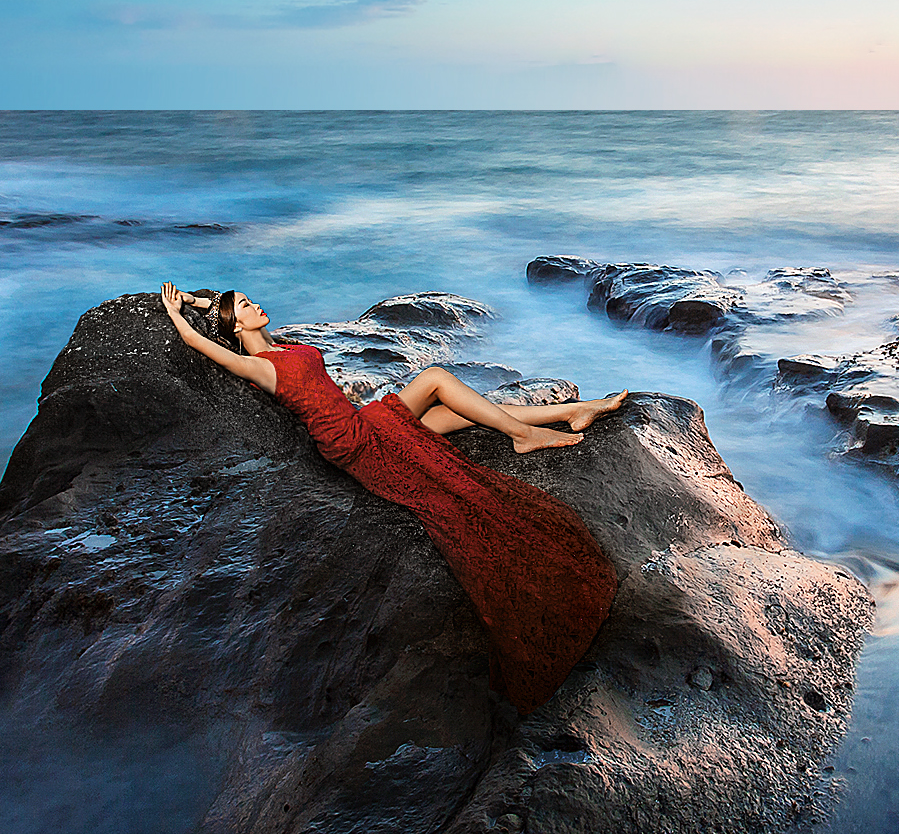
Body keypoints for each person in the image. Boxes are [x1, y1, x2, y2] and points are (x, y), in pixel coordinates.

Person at [158, 281, 621, 713]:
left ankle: (574, 411)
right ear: (237, 327)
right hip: (354, 440)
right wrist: (176, 315)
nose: (255, 304)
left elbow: (222, 314)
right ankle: (522, 433)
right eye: (244, 306)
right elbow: (205, 344)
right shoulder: (259, 365)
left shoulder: (278, 346)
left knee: (450, 413)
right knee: (437, 378)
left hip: (364, 421)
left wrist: (200, 302)